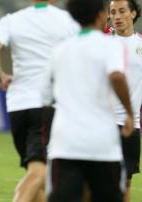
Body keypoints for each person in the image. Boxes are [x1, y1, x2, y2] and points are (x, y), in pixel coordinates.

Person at [0, 0, 78, 201]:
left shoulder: (12, 20)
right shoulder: (67, 20)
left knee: (38, 173)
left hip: (18, 106)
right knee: (41, 173)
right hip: (46, 104)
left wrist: (0, 76)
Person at [45, 0, 134, 201]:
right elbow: (117, 76)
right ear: (101, 15)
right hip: (101, 145)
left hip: (65, 144)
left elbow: (46, 94)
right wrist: (129, 112)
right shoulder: (111, 46)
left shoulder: (60, 50)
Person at [109, 1, 142, 201]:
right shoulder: (103, 42)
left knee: (126, 180)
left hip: (132, 122)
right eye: (113, 12)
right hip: (103, 121)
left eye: (122, 11)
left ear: (133, 13)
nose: (117, 16)